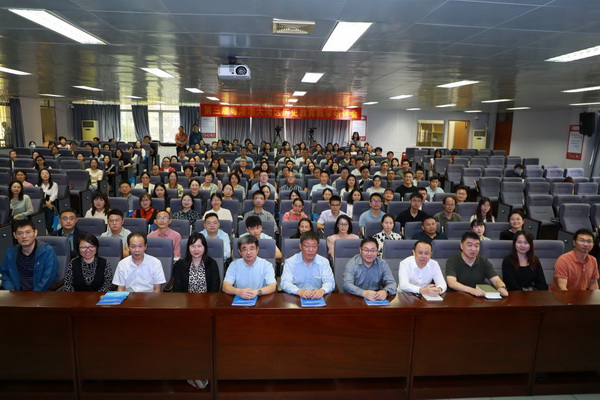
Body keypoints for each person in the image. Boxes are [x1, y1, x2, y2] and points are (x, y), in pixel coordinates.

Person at [0, 219, 59, 291]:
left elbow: (48, 278)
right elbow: (5, 275)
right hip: (17, 294)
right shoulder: (10, 253)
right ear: (15, 235)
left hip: (41, 294)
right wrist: (12, 290)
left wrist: (34, 294)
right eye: (20, 233)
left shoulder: (46, 251)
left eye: (28, 232)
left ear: (35, 233)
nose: (24, 236)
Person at [445, 232, 509, 297]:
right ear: (461, 246)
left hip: (477, 297)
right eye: (470, 245)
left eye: (476, 246)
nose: (473, 249)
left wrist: (501, 287)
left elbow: (496, 280)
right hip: (456, 297)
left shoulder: (483, 261)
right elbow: (452, 283)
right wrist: (472, 290)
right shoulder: (453, 261)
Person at [281, 231, 335, 298]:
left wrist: (322, 291)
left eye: (314, 246)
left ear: (318, 247)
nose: (311, 250)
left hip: (317, 298)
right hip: (296, 297)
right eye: (307, 246)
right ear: (300, 246)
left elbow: (330, 282)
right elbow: (285, 283)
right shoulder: (290, 262)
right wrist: (299, 291)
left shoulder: (324, 262)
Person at [222, 235, 276, 299]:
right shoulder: (234, 265)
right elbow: (225, 286)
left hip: (260, 298)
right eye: (244, 249)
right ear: (240, 252)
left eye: (251, 248)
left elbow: (272, 286)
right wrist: (238, 291)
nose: (248, 252)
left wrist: (257, 292)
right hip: (239, 298)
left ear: (257, 250)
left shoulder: (266, 265)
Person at [37, 168, 58, 234]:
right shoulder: (37, 185)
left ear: (49, 175)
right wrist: (46, 203)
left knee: (49, 210)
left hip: (51, 202)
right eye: (43, 174)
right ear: (40, 176)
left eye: (46, 173)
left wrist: (48, 203)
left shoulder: (54, 184)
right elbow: (39, 197)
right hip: (41, 203)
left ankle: (49, 229)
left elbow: (54, 195)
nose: (45, 175)